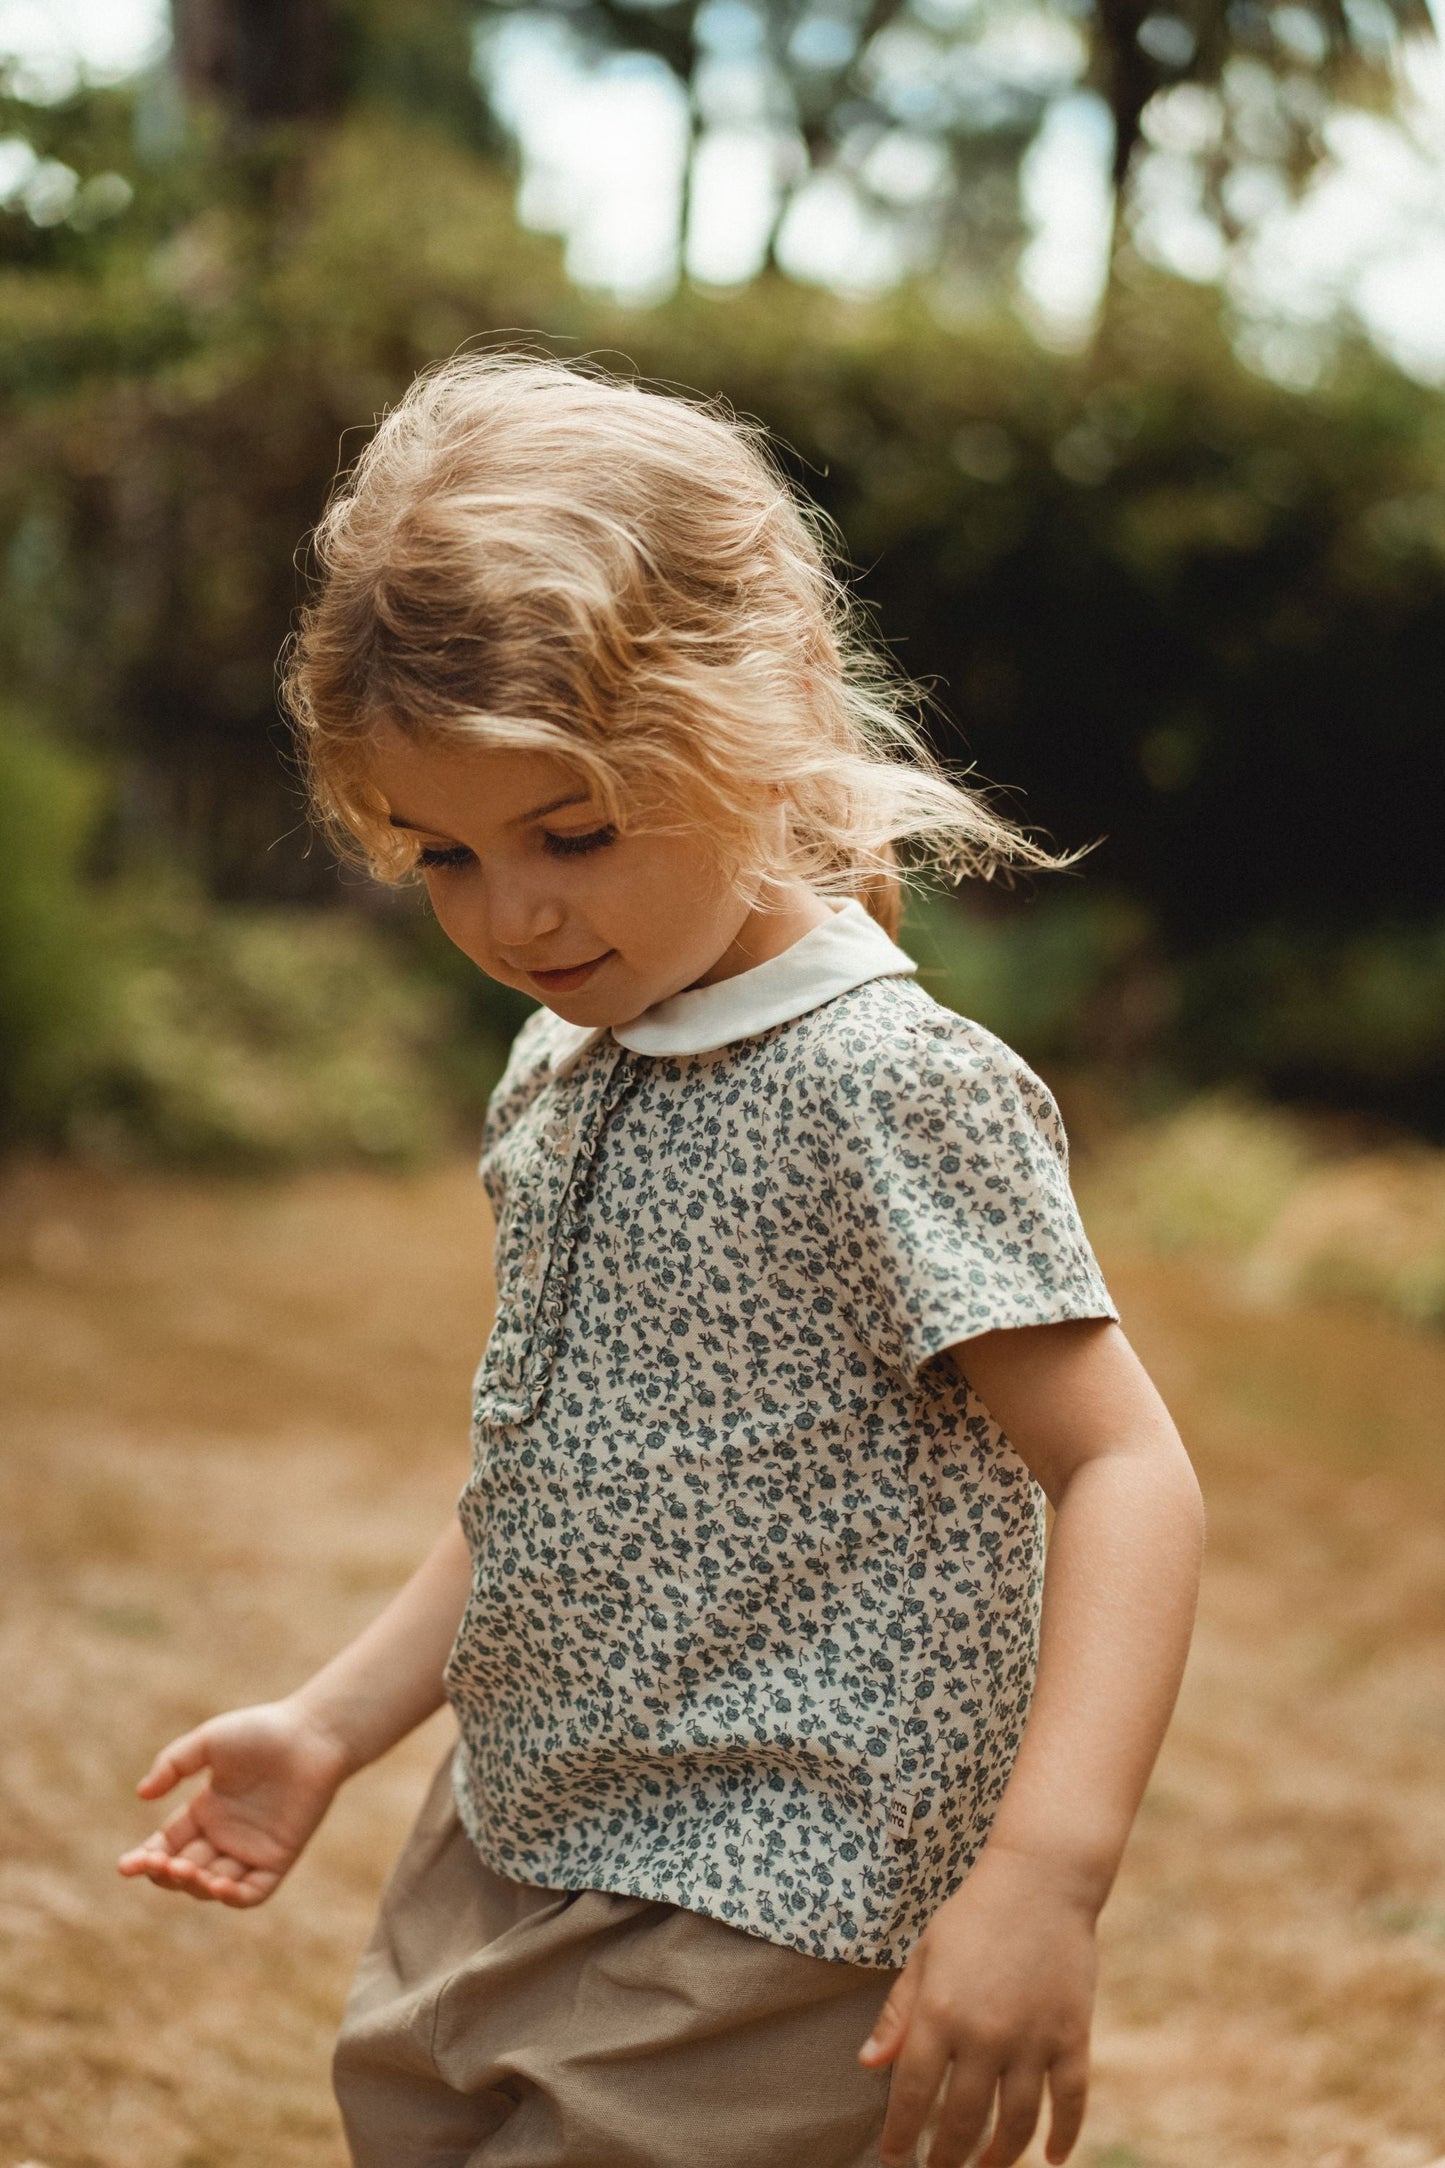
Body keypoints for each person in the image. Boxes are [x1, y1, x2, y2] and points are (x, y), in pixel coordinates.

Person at [118, 353, 1205, 2168]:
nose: (514, 914)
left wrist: (1043, 1881)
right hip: (521, 1834)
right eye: (444, 855)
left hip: (773, 1887)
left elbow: (1125, 1470)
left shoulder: (881, 1087)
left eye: (573, 832)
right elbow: (554, 1478)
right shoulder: (565, 1058)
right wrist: (335, 1721)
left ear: (758, 720)